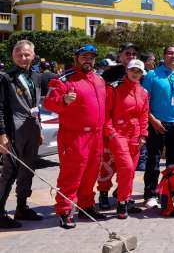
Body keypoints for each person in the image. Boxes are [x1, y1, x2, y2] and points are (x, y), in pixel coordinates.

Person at [44, 44, 107, 229]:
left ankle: (86, 206)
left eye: (91, 57)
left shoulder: (99, 79)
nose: (88, 60)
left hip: (96, 136)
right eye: (84, 56)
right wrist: (63, 100)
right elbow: (48, 103)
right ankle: (64, 210)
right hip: (74, 136)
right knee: (72, 174)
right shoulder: (63, 80)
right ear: (76, 58)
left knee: (91, 174)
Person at [97, 60, 149, 219]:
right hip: (117, 133)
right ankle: (115, 199)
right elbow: (107, 114)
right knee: (121, 166)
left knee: (130, 171)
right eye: (133, 70)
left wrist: (143, 134)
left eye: (138, 71)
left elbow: (144, 115)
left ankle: (123, 201)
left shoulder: (144, 92)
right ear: (127, 70)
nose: (135, 73)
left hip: (135, 135)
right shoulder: (114, 88)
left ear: (142, 74)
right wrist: (111, 133)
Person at [0, 40, 43, 228]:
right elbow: (0, 108)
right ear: (13, 56)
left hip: (32, 129)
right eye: (19, 54)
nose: (23, 57)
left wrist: (39, 129)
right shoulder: (5, 77)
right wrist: (2, 134)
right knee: (10, 171)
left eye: (27, 54)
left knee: (29, 169)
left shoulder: (36, 76)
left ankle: (21, 206)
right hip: (13, 130)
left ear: (33, 56)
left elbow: (36, 106)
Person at [142, 46, 174, 209]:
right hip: (157, 123)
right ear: (164, 56)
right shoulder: (152, 75)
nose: (173, 56)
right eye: (170, 53)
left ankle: (170, 191)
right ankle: (150, 194)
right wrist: (153, 120)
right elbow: (144, 102)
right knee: (153, 160)